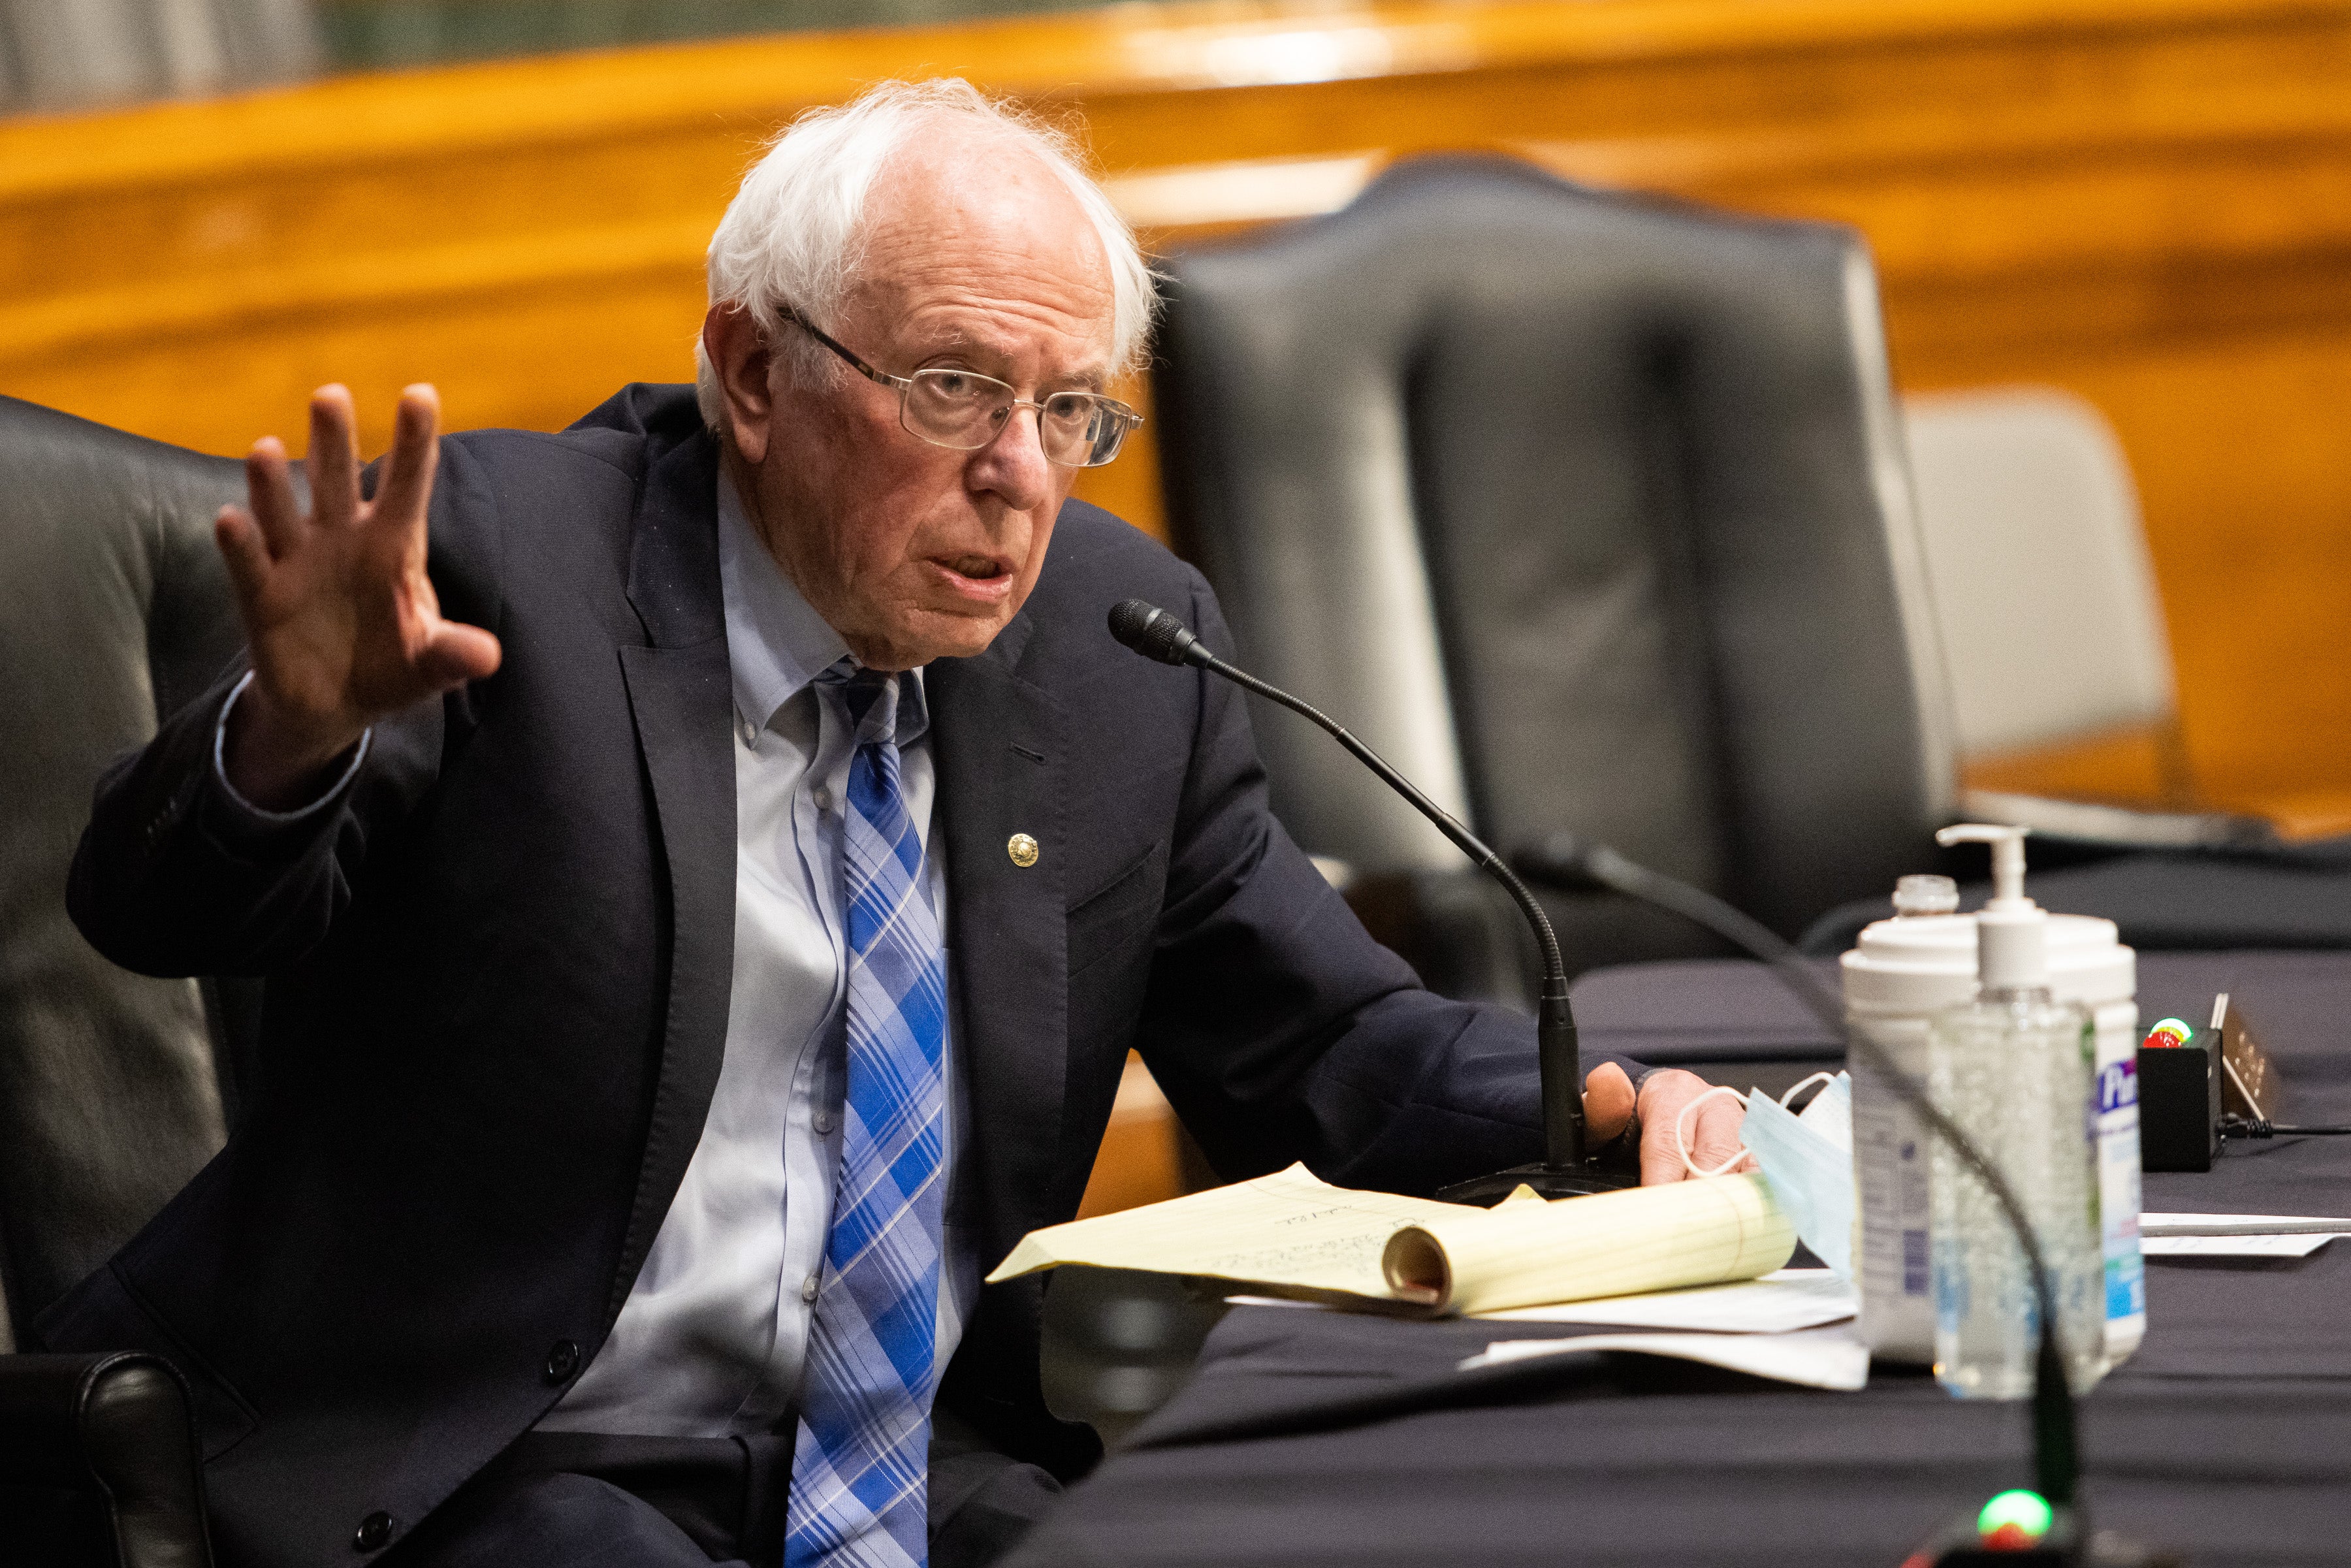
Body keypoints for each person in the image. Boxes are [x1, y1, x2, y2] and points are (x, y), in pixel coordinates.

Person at [52, 80, 1750, 1568]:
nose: (1022, 471)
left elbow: (1328, 1037)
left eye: (1071, 409)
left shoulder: (1115, 644)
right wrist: (287, 740)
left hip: (906, 1473)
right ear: (753, 371)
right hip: (482, 1462)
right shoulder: (513, 569)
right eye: (952, 388)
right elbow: (159, 910)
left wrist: (1598, 1101)